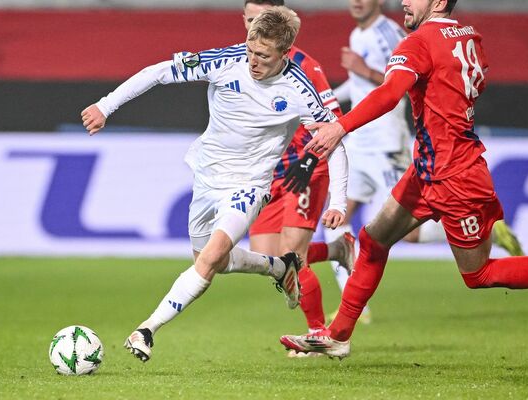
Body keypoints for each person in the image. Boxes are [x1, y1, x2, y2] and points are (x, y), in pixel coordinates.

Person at [279, 0, 528, 359]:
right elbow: (474, 80)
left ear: (439, 2)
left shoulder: (418, 42)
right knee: (373, 239)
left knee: (479, 275)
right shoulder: (469, 35)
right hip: (428, 167)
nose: (404, 2)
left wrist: (340, 126)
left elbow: (389, 93)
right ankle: (338, 335)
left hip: (455, 174)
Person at [80, 6, 348, 362]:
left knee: (207, 261)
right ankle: (280, 267)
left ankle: (147, 329)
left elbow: (337, 140)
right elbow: (160, 71)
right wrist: (105, 106)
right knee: (214, 262)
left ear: (285, 54)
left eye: (263, 56)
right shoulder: (225, 61)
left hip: (250, 186)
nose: (253, 61)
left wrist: (339, 202)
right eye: (251, 50)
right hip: (207, 178)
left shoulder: (299, 87)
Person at [326, 0, 524, 324]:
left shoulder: (394, 34)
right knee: (343, 220)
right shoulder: (359, 35)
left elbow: (396, 87)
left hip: (387, 143)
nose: (356, 2)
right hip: (360, 145)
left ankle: (487, 231)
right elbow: (363, 84)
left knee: (401, 233)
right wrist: (333, 96)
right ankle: (349, 306)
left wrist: (362, 77)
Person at [241, 0, 356, 358]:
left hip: (306, 168)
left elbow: (334, 124)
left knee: (292, 255)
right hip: (270, 172)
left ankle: (318, 335)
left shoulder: (306, 67)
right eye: (248, 20)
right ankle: (338, 249)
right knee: (266, 257)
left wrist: (315, 164)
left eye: (260, 19)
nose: (252, 28)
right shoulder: (245, 61)